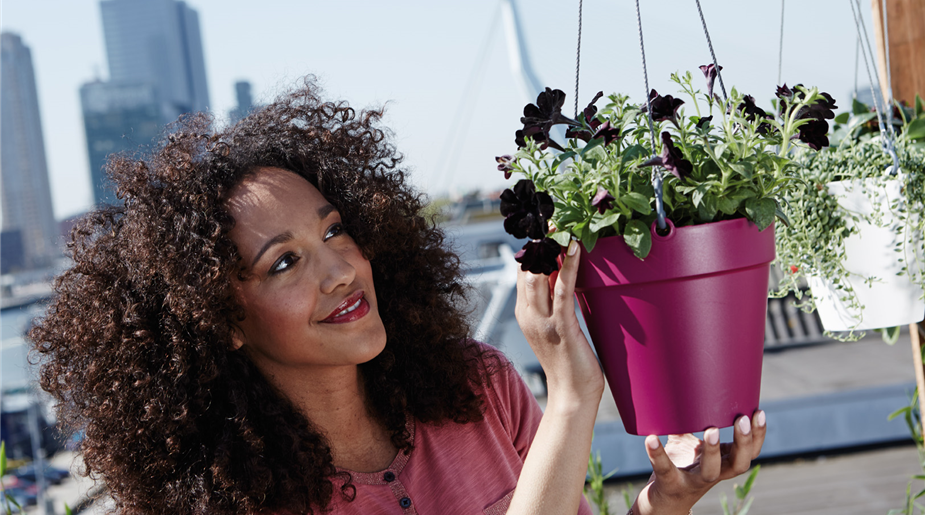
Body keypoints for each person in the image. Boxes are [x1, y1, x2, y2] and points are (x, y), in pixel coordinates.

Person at [29, 78, 765, 515]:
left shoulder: (480, 388)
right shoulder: (239, 501)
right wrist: (573, 397)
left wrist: (664, 502)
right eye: (284, 262)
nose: (341, 269)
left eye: (335, 230)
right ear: (218, 317)